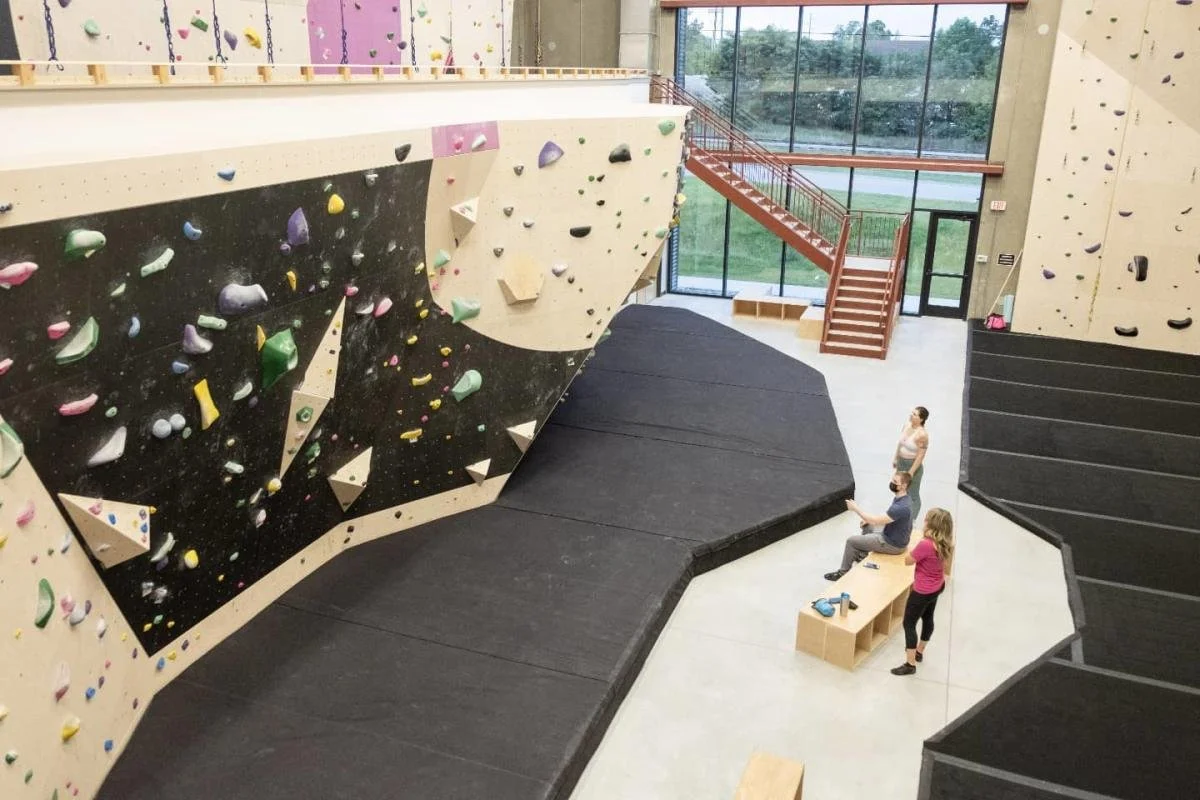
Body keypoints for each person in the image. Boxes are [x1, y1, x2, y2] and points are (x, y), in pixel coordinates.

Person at [891, 508, 954, 676]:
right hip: (937, 587)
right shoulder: (944, 543)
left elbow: (908, 561)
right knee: (928, 617)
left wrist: (914, 549)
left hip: (922, 591)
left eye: (926, 519)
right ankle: (920, 651)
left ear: (931, 524)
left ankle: (910, 664)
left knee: (909, 623)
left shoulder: (926, 544)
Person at [823, 471, 913, 581]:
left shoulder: (900, 507)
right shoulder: (905, 498)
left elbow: (876, 520)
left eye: (895, 482)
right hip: (896, 536)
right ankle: (862, 555)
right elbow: (887, 518)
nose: (892, 483)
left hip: (893, 544)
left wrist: (855, 508)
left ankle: (843, 573)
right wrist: (868, 520)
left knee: (851, 541)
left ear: (904, 486)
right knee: (868, 525)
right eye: (892, 480)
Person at [893, 407, 929, 524]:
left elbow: (920, 456)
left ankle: (910, 520)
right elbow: (900, 443)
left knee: (912, 494)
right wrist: (896, 457)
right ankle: (899, 513)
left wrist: (911, 472)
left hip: (912, 465)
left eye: (915, 414)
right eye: (912, 413)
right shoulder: (906, 426)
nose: (911, 415)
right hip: (901, 463)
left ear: (921, 419)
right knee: (899, 488)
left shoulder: (922, 435)